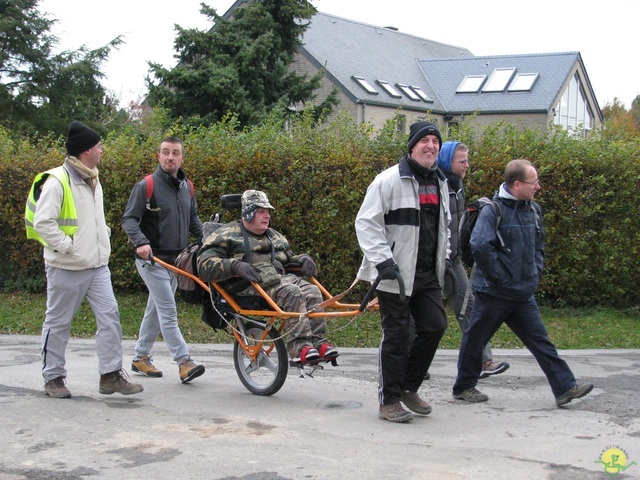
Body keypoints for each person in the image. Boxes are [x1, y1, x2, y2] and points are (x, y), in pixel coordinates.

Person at [452, 159, 593, 407]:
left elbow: (538, 245)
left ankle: (565, 388)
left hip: (522, 293)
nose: (537, 187)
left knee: (541, 342)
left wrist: (534, 274)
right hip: (493, 293)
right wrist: (499, 277)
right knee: (475, 339)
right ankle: (464, 387)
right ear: (517, 184)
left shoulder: (533, 210)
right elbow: (479, 245)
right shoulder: (492, 211)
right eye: (533, 182)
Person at [27, 120, 143, 398]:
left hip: (96, 265)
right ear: (85, 151)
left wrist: (102, 236)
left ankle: (110, 375)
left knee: (110, 317)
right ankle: (53, 378)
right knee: (58, 322)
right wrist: (67, 247)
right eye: (98, 146)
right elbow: (43, 223)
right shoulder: (57, 181)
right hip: (66, 266)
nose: (102, 150)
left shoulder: (93, 177)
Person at [355, 121, 450, 423]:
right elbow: (366, 223)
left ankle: (409, 387)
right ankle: (389, 401)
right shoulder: (388, 180)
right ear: (412, 145)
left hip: (426, 274)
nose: (431, 146)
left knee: (435, 325)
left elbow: (443, 228)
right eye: (425, 141)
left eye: (436, 141)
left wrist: (444, 259)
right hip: (393, 274)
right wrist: (383, 261)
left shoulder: (441, 181)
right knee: (396, 336)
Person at [197, 190, 339, 364]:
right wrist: (233, 265)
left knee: (313, 291)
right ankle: (300, 349)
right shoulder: (225, 235)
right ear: (248, 213)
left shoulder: (275, 237)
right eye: (261, 212)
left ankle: (318, 343)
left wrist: (301, 260)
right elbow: (204, 265)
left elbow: (286, 259)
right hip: (247, 285)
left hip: (277, 280)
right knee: (292, 292)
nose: (267, 216)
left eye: (268, 212)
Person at [122, 136, 205, 384]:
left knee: (156, 311)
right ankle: (184, 361)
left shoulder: (186, 187)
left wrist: (206, 240)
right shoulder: (146, 186)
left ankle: (140, 358)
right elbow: (129, 220)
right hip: (153, 261)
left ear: (182, 157)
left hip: (176, 262)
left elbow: (193, 220)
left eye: (175, 153)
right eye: (166, 152)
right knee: (168, 311)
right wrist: (141, 242)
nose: (170, 157)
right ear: (158, 156)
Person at [436, 141, 509, 379]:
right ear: (448, 162)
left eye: (467, 160)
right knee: (422, 314)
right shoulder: (436, 186)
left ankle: (484, 360)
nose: (467, 165)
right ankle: (407, 362)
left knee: (469, 309)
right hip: (432, 261)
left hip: (452, 260)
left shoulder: (457, 186)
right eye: (462, 161)